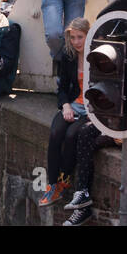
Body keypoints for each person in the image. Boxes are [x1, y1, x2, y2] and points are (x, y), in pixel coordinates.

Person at [40, 18, 91, 207]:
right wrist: (66, 105)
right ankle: (52, 184)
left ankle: (64, 180)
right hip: (74, 104)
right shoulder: (68, 56)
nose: (76, 42)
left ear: (88, 35)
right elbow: (61, 88)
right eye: (72, 38)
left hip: (92, 109)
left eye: (80, 37)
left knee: (71, 136)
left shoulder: (98, 55)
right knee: (55, 133)